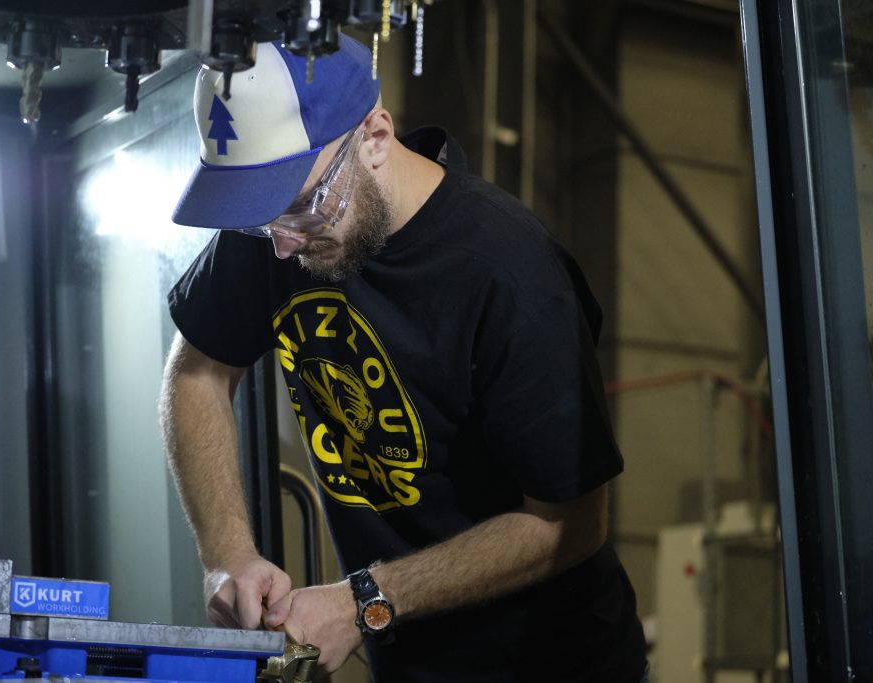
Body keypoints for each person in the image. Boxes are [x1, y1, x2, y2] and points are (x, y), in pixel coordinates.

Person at [160, 34, 647, 682]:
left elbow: (570, 524)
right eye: (262, 221)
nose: (282, 246)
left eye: (305, 207)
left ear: (376, 136)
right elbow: (196, 370)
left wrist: (363, 599)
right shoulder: (281, 223)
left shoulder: (512, 275)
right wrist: (228, 556)